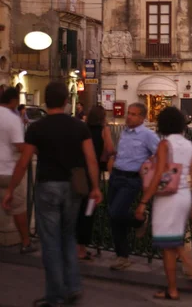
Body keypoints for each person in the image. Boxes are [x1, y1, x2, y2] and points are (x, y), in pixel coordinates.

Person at [2, 82, 102, 307]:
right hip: (73, 188)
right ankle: (73, 286)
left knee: (50, 242)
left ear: (46, 102)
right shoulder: (79, 126)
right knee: (68, 237)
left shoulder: (37, 128)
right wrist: (95, 187)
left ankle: (55, 295)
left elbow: (24, 162)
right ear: (67, 101)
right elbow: (91, 159)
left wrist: (10, 189)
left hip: (47, 186)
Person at [135, 107, 192, 300]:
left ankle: (174, 287)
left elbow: (158, 175)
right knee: (174, 240)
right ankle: (190, 270)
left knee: (167, 246)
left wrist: (143, 201)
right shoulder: (189, 145)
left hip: (167, 198)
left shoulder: (165, 144)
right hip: (184, 196)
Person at [109, 103, 159, 271]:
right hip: (116, 175)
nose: (128, 116)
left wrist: (148, 163)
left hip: (131, 179)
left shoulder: (148, 135)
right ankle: (122, 256)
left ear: (142, 118)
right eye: (128, 113)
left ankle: (139, 221)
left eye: (133, 114)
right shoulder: (124, 132)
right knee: (114, 216)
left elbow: (160, 155)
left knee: (116, 212)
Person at [76, 105, 115, 260]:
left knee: (76, 210)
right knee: (88, 211)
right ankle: (81, 249)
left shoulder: (82, 129)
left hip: (78, 173)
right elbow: (110, 148)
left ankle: (73, 246)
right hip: (93, 174)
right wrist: (105, 156)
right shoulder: (103, 130)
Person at [0, 88, 36, 254]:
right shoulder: (12, 119)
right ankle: (26, 241)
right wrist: (33, 149)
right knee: (18, 207)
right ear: (14, 101)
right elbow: (19, 145)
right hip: (9, 171)